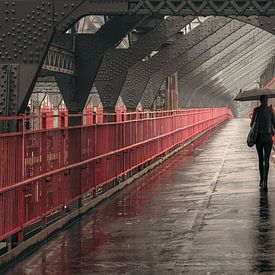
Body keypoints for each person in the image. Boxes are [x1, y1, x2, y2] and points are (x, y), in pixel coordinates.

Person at [251, 95, 275, 191]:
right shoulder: (270, 110)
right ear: (267, 100)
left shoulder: (256, 110)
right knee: (267, 159)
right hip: (268, 138)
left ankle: (261, 180)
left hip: (259, 138)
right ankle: (265, 182)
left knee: (261, 159)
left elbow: (252, 124)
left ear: (260, 101)